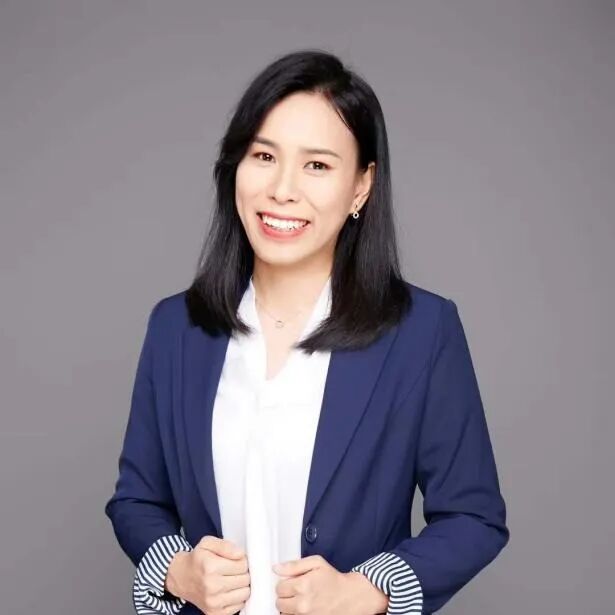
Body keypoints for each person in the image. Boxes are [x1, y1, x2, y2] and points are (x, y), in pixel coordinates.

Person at [104, 48, 510, 615]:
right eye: (264, 155)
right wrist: (177, 570)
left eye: (317, 165)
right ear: (235, 167)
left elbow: (473, 516)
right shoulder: (176, 327)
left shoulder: (422, 331)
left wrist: (368, 589)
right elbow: (137, 500)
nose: (282, 189)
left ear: (361, 186)